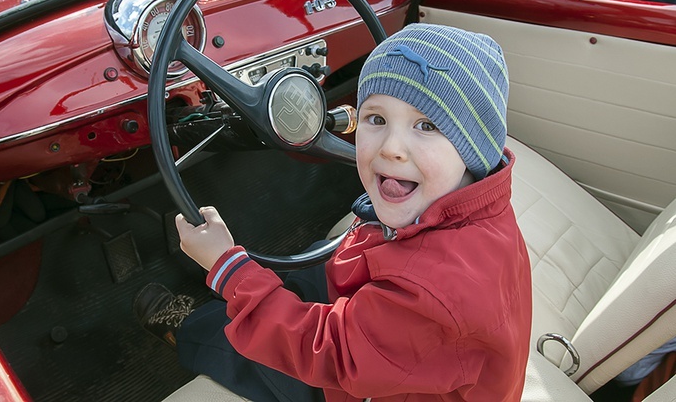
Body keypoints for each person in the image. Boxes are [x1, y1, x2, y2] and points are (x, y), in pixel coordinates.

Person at [134, 23, 533, 401]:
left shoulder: (436, 297)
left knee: (228, 341)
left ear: (472, 148)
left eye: (427, 126)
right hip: (395, 337)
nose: (391, 147)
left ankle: (188, 326)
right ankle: (253, 297)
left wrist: (226, 266)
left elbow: (325, 351)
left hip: (352, 378)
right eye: (376, 119)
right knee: (312, 262)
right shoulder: (480, 202)